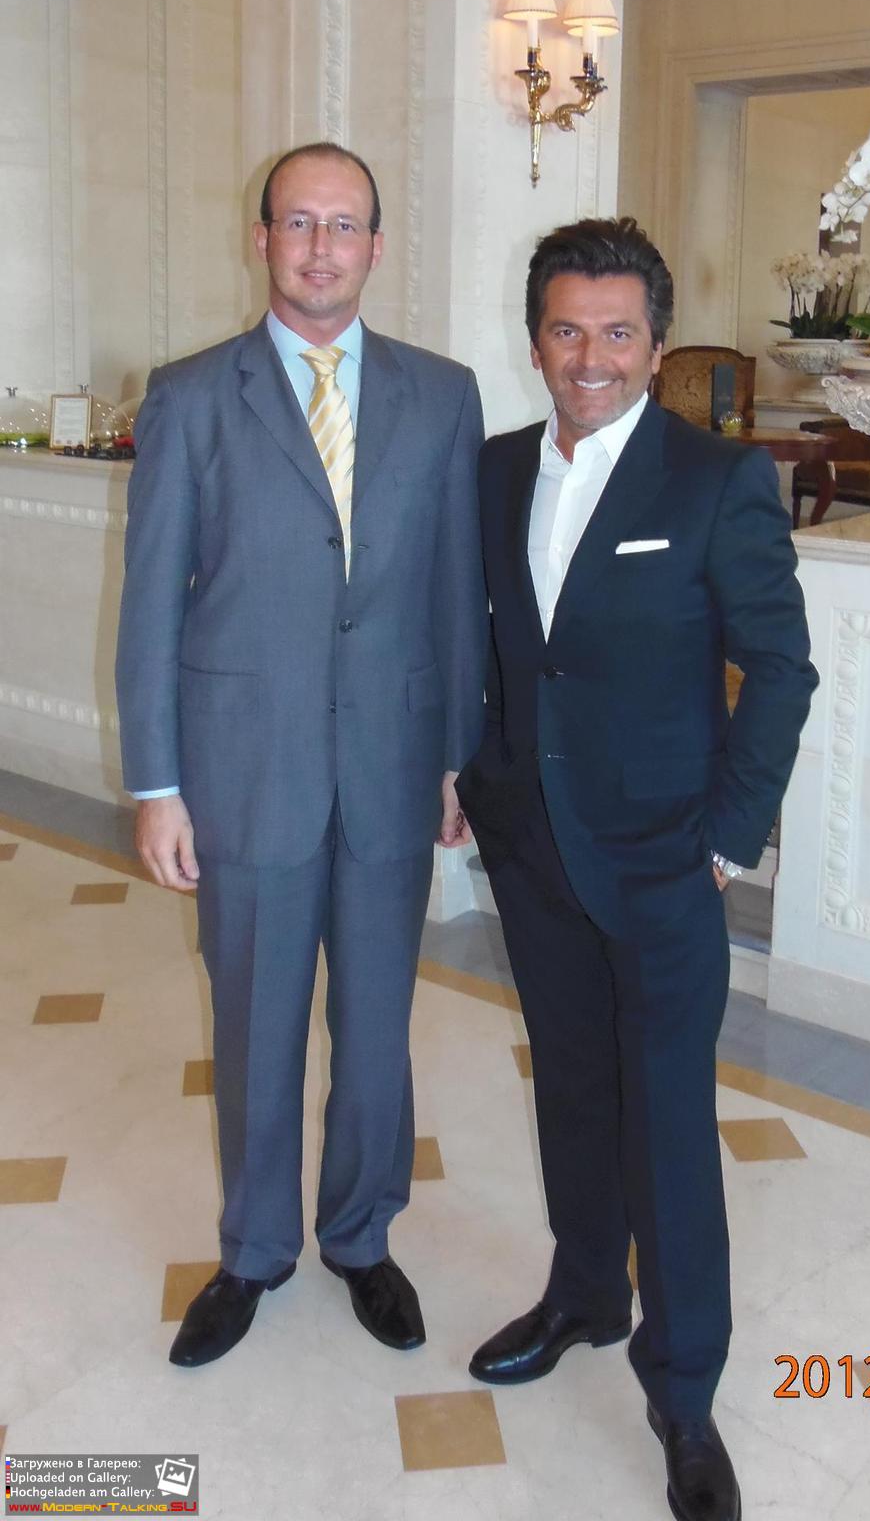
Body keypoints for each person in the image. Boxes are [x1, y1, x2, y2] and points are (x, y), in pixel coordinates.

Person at [455, 217, 817, 1521]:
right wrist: (467, 769)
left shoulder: (716, 481)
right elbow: (492, 642)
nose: (589, 357)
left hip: (666, 859)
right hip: (531, 846)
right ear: (536, 340)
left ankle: (683, 1393)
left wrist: (727, 838)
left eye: (617, 333)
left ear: (656, 348)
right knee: (569, 1086)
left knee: (666, 1126)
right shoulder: (497, 469)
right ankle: (583, 1295)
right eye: (567, 330)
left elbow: (780, 670)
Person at [115, 143, 486, 1368]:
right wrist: (157, 783)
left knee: (377, 1032)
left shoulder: (443, 396)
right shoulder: (189, 397)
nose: (321, 247)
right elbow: (151, 605)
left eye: (344, 225)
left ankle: (362, 1237)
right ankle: (254, 1250)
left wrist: (458, 758)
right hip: (245, 774)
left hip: (391, 770)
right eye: (299, 223)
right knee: (256, 1027)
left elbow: (455, 592)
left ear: (377, 244)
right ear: (262, 237)